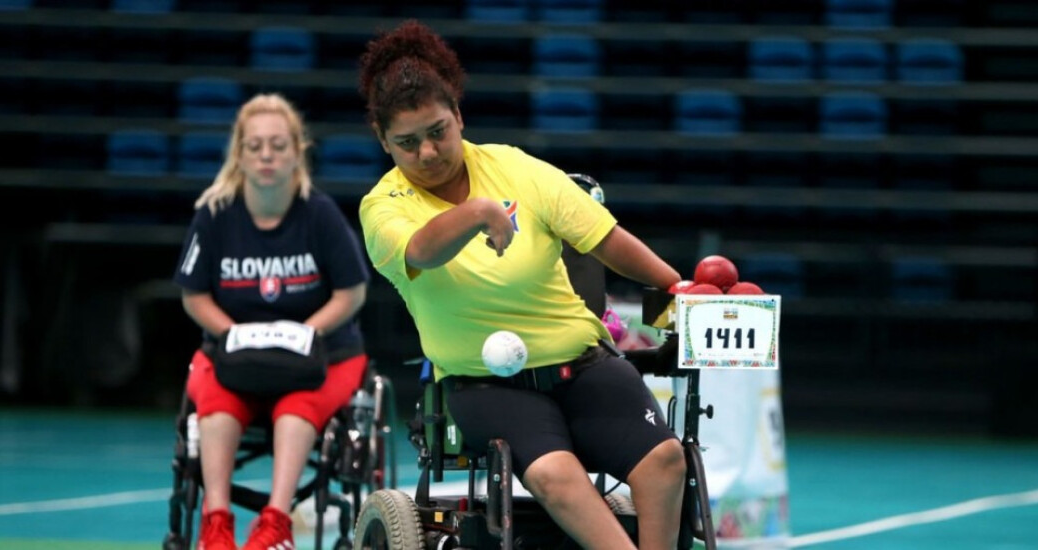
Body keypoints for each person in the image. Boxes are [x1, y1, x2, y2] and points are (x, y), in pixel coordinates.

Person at [357, 20, 686, 549]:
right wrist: (478, 212)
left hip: (582, 365)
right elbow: (422, 250)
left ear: (459, 116)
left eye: (438, 131)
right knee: (557, 477)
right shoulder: (383, 207)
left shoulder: (515, 167)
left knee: (666, 459)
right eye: (407, 142)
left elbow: (603, 236)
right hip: (485, 385)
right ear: (384, 141)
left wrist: (678, 285)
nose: (428, 152)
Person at [173, 93, 371, 550]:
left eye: (278, 146)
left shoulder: (319, 214)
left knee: (295, 411)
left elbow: (352, 292)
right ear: (239, 153)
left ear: (297, 152)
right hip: (232, 352)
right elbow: (194, 294)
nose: (266, 156)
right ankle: (216, 522)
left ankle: (275, 523)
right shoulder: (216, 214)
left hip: (323, 353)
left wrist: (303, 333)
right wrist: (234, 334)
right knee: (217, 406)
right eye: (256, 145)